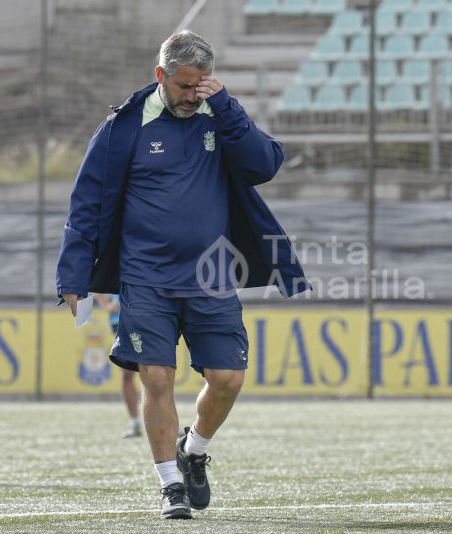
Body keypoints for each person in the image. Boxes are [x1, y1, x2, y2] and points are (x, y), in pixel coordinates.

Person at [56, 31, 308, 520]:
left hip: (212, 277)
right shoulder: (124, 127)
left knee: (228, 378)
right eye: (184, 86)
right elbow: (85, 203)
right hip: (144, 277)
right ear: (161, 76)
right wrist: (72, 274)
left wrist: (228, 106)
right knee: (156, 376)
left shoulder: (220, 114)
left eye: (200, 86)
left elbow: (265, 164)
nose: (192, 96)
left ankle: (193, 451)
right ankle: (170, 484)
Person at [94, 293, 141, 438]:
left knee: (154, 371)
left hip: (148, 312)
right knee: (127, 373)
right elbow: (97, 275)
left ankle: (165, 420)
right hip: (120, 318)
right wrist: (106, 304)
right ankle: (135, 423)